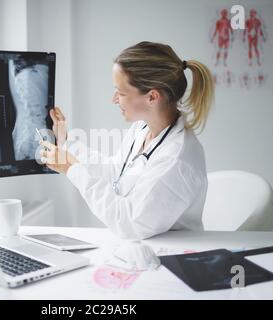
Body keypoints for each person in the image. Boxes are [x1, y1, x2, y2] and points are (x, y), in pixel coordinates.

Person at [39, 41, 214, 240]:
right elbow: (116, 173)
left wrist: (72, 169)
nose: (114, 99)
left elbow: (129, 223)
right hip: (143, 248)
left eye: (121, 93)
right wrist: (66, 142)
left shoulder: (176, 159)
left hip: (170, 256)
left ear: (152, 97)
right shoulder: (142, 128)